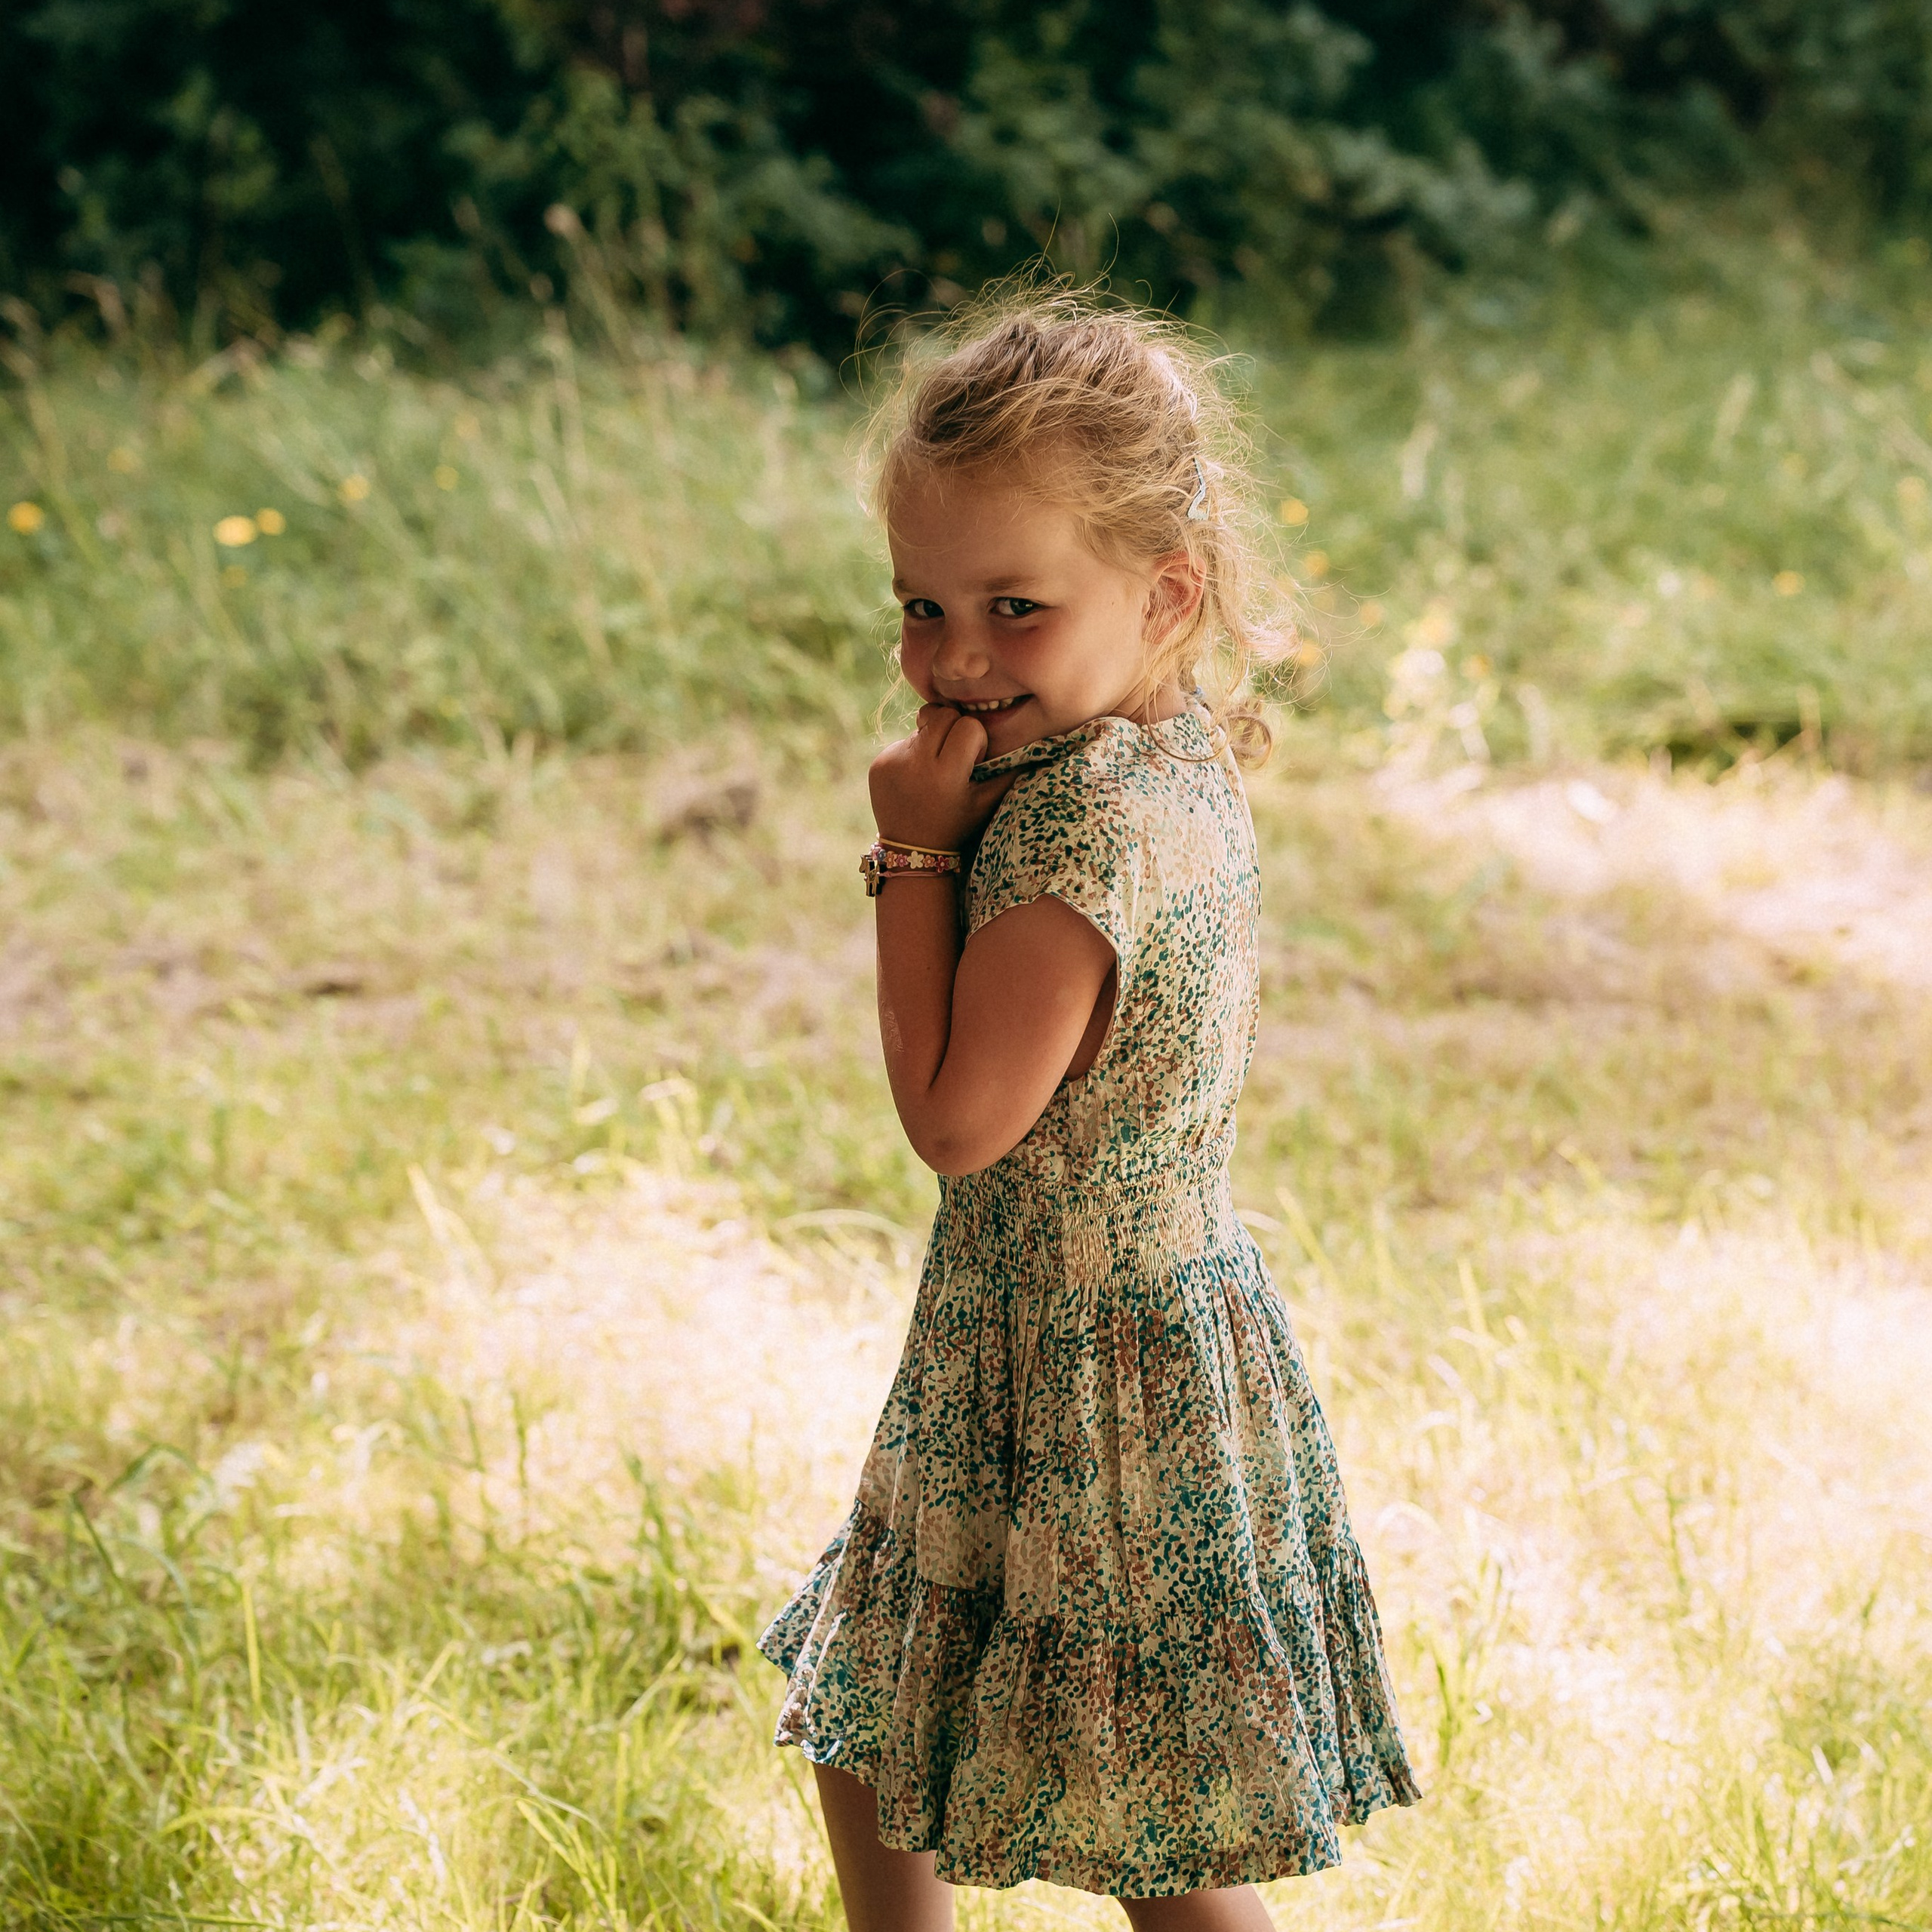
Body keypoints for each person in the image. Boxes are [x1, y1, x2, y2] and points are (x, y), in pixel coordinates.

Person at [757, 289, 1420, 1930]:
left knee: (1159, 1832)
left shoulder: (1065, 840)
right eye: (920, 603)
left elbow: (954, 1117)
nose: (955, 657)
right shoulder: (1162, 748)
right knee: (874, 1703)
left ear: (1162, 592)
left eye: (1013, 607)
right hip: (1083, 1319)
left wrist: (909, 851)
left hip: (1085, 1365)